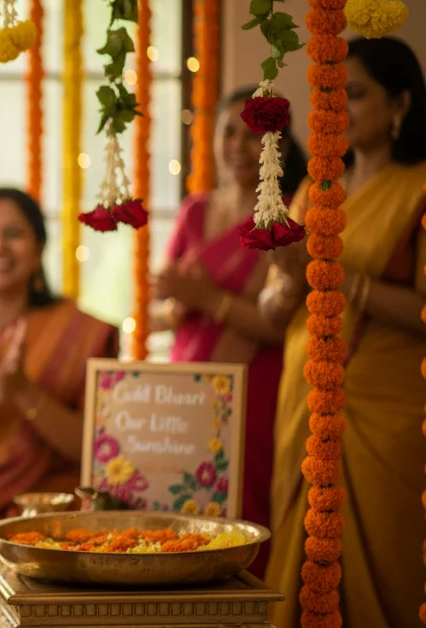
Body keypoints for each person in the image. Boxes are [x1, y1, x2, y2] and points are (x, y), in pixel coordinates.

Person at [259, 37, 426, 628]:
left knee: (387, 555)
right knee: (301, 551)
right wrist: (284, 282)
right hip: (302, 394)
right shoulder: (318, 188)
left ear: (401, 102)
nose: (335, 108)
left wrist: (335, 275)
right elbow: (280, 306)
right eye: (327, 93)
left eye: (354, 93)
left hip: (386, 410)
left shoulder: (419, 190)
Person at [0, 187, 118, 626]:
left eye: (13, 234)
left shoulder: (77, 332)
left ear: (38, 249)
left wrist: (24, 392)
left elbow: (95, 452)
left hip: (49, 510)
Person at [148, 87, 307, 577]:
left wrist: (205, 300)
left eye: (255, 134)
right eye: (229, 132)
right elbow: (158, 308)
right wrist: (183, 305)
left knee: (246, 511)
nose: (240, 145)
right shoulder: (196, 209)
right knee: (183, 513)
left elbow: (276, 324)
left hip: (255, 386)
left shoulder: (285, 216)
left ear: (278, 144)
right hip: (188, 382)